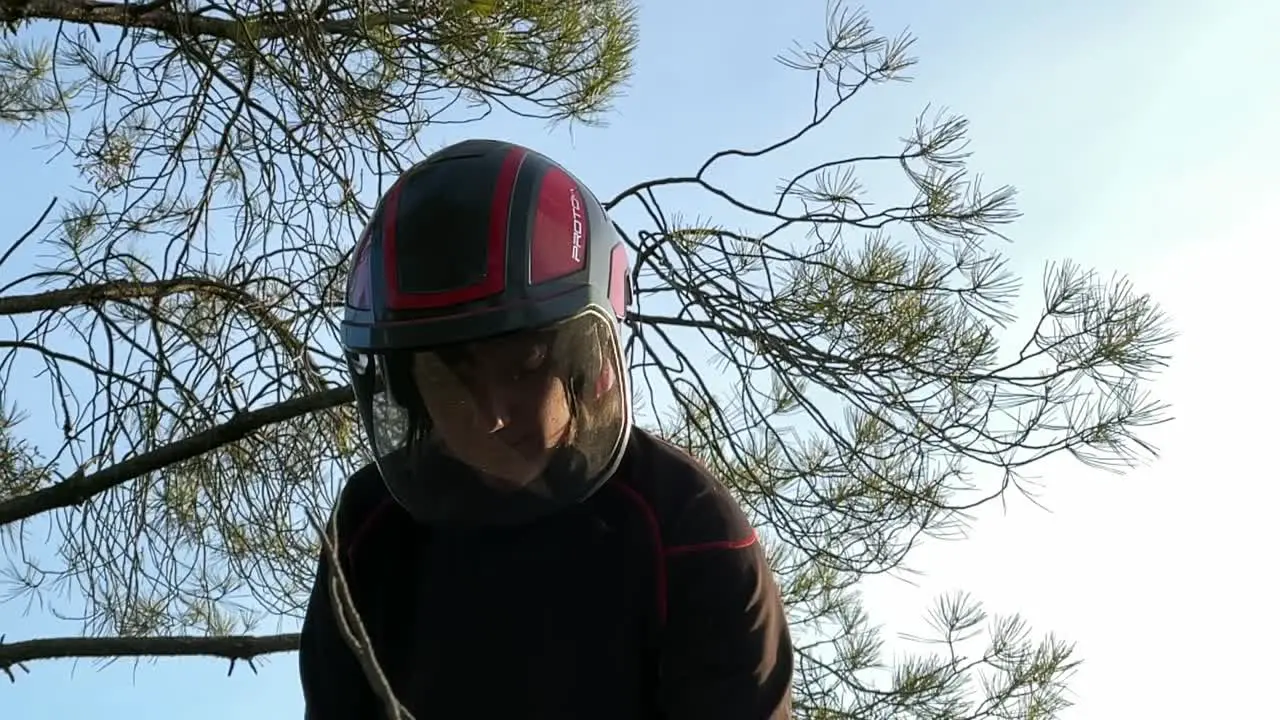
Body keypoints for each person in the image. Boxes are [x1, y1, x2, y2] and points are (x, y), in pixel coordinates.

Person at [298, 138, 794, 719]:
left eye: (524, 365)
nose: (493, 415)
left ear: (589, 365)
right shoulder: (367, 533)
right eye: (452, 377)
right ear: (409, 390)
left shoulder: (685, 524)